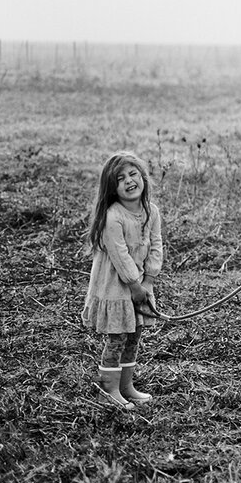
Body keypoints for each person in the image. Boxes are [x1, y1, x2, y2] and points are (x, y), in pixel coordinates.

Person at [81, 151, 164, 409]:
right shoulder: (113, 217)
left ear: (143, 177)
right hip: (116, 287)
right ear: (112, 188)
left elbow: (157, 246)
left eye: (133, 174)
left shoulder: (152, 211)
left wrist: (148, 282)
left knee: (134, 334)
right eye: (120, 178)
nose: (129, 181)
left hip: (140, 285)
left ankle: (126, 386)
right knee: (117, 337)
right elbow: (120, 256)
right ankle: (109, 389)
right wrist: (135, 285)